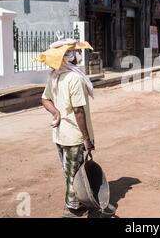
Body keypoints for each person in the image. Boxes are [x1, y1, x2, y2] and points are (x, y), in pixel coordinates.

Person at [37, 36, 96, 218]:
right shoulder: (74, 78)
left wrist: (56, 113)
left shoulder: (54, 76)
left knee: (69, 170)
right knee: (75, 172)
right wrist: (86, 138)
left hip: (60, 134)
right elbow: (78, 110)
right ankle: (72, 208)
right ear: (69, 57)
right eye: (75, 53)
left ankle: (75, 202)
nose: (78, 56)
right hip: (74, 135)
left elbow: (45, 99)